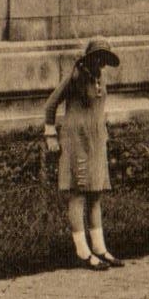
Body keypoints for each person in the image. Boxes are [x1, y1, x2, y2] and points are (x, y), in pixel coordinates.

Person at [43, 36, 123, 270]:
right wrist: (50, 135)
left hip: (96, 140)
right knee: (78, 194)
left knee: (96, 193)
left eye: (104, 58)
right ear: (88, 58)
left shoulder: (101, 75)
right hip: (76, 140)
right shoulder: (76, 76)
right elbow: (51, 104)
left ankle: (100, 248)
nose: (101, 62)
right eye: (97, 57)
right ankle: (82, 251)